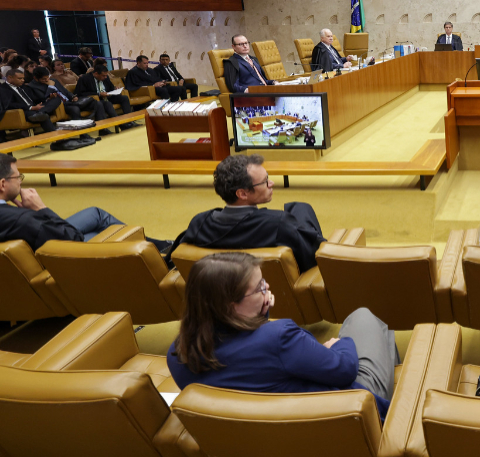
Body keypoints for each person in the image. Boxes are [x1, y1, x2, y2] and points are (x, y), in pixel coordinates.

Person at [167, 253, 397, 420]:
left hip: (267, 435)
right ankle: (395, 410)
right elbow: (344, 368)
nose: (267, 289)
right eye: (259, 288)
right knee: (363, 318)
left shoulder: (178, 353)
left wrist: (262, 310)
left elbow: (252, 360)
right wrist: (339, 345)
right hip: (341, 414)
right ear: (229, 306)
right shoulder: (280, 337)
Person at [0, 153, 126, 247]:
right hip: (55, 259)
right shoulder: (23, 220)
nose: (20, 182)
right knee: (94, 232)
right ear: (2, 184)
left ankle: (158, 246)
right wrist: (41, 209)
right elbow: (72, 239)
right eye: (17, 178)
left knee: (95, 214)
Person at [167, 155, 325, 273]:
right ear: (242, 193)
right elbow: (314, 255)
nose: (272, 183)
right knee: (301, 208)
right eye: (265, 181)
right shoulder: (278, 224)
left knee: (298, 208)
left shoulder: (200, 222)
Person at [25, 66, 112, 134]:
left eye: (47, 77)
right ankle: (82, 134)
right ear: (36, 78)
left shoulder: (53, 80)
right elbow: (40, 100)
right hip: (60, 105)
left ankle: (102, 129)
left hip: (70, 101)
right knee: (75, 109)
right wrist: (50, 91)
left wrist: (73, 96)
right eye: (44, 79)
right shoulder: (32, 87)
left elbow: (65, 91)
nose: (47, 80)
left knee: (98, 103)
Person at [0, 69, 57, 138]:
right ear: (9, 78)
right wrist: (30, 108)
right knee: (43, 116)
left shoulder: (23, 86)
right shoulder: (1, 89)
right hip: (23, 111)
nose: (23, 80)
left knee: (56, 100)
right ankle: (55, 136)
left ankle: (41, 112)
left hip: (35, 108)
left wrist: (47, 98)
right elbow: (9, 104)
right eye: (20, 78)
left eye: (23, 78)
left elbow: (34, 98)